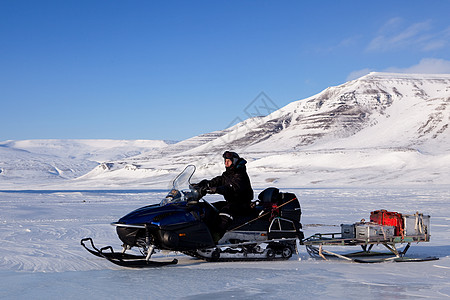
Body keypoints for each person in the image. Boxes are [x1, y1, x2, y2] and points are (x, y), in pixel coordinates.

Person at [195, 151, 254, 235]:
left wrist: (216, 189)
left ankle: (218, 234)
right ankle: (205, 232)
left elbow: (232, 188)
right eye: (225, 160)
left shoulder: (240, 174)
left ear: (234, 161)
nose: (226, 163)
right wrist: (203, 184)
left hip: (243, 204)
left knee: (225, 212)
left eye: (228, 161)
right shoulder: (227, 174)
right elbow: (218, 180)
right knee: (210, 207)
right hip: (231, 202)